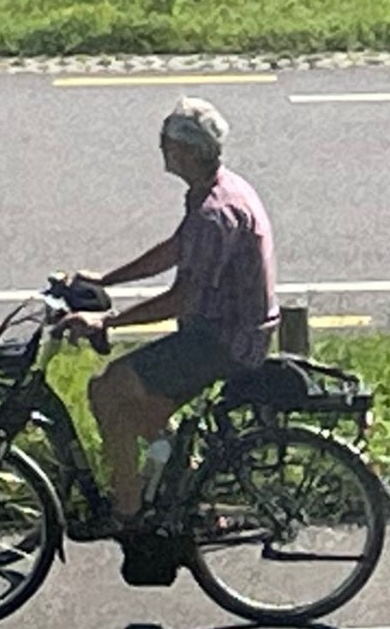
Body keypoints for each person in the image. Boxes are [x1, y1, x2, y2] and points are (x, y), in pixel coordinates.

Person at [72, 98, 276, 545]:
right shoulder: (216, 190)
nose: (160, 147)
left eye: (165, 140)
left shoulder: (214, 213)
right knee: (136, 406)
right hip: (224, 330)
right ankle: (174, 471)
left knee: (108, 388)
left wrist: (107, 323)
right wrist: (106, 279)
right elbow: (174, 249)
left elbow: (181, 298)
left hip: (223, 340)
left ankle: (126, 511)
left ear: (186, 150)